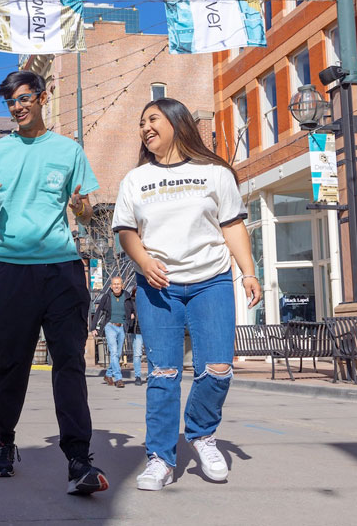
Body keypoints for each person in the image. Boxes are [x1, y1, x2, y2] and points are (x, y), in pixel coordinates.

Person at [112, 97, 262, 492]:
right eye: (141, 123)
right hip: (158, 287)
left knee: (218, 368)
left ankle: (200, 433)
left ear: (177, 123)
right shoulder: (135, 179)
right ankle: (160, 457)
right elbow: (126, 231)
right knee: (163, 374)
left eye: (153, 119)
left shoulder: (214, 173)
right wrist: (144, 262)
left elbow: (231, 225)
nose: (145, 128)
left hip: (211, 281)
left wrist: (248, 272)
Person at [0, 70, 108, 496]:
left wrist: (81, 207)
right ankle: (6, 442)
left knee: (70, 362)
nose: (18, 107)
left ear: (43, 98)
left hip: (62, 269)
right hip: (9, 270)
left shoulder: (69, 150)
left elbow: (86, 216)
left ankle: (79, 458)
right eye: (11, 102)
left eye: (25, 98)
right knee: (11, 365)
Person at [89, 277, 128, 388]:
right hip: (110, 326)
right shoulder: (106, 297)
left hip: (122, 327)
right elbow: (98, 312)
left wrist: (132, 315)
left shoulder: (126, 296)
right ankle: (119, 378)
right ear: (111, 286)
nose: (116, 286)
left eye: (118, 284)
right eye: (114, 284)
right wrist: (93, 327)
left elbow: (132, 308)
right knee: (114, 352)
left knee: (118, 354)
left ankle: (108, 374)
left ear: (122, 285)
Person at [124, 288, 147, 386]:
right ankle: (138, 376)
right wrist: (130, 316)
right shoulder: (131, 302)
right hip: (136, 330)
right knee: (137, 354)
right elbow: (125, 313)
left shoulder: (148, 302)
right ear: (134, 293)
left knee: (151, 353)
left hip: (148, 331)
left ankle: (151, 375)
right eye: (137, 292)